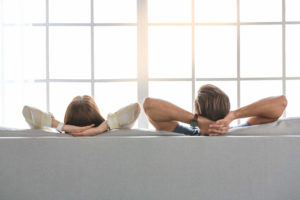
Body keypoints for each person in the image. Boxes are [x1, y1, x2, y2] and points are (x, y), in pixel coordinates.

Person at [143, 84, 288, 136]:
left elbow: (149, 106)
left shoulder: (187, 133)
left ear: (197, 111)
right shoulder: (242, 131)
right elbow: (281, 103)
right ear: (227, 110)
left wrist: (195, 121)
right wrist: (234, 115)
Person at [22, 95, 141, 136]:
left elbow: (27, 111)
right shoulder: (114, 133)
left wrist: (62, 127)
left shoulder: (56, 138)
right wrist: (101, 128)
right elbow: (135, 108)